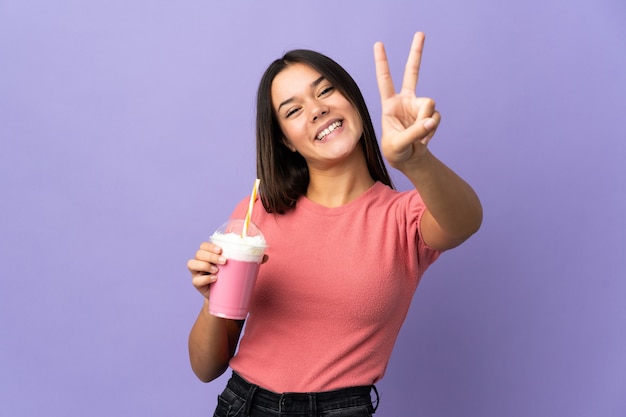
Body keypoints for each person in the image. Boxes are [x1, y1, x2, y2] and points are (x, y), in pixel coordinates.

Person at [187, 32, 483, 417]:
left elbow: (466, 222)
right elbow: (206, 368)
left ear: (352, 100)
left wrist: (414, 160)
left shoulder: (403, 217)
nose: (315, 109)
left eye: (325, 91)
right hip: (243, 405)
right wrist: (214, 299)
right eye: (293, 111)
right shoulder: (256, 213)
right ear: (287, 141)